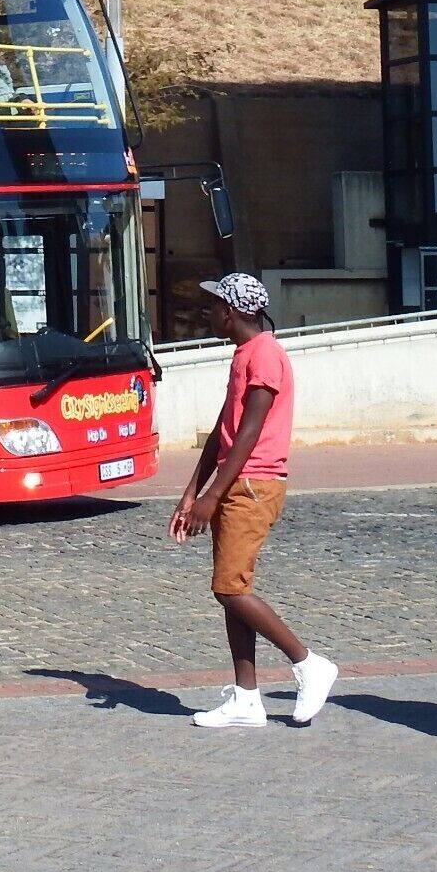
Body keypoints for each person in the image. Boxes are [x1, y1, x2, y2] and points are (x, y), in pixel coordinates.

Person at [170, 273, 337, 728]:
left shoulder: (265, 354)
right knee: (231, 590)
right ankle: (246, 697)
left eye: (216, 304)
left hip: (252, 484)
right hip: (235, 481)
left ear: (234, 311)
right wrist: (191, 494)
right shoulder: (244, 354)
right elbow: (222, 429)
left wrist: (212, 496)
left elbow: (249, 433)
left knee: (229, 589)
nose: (210, 312)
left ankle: (308, 664)